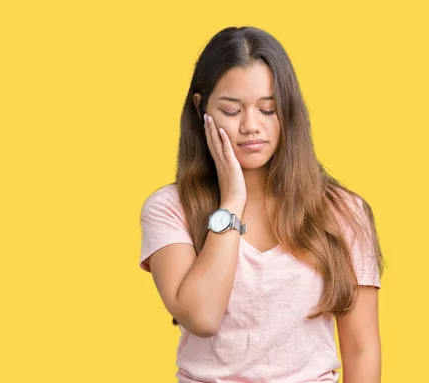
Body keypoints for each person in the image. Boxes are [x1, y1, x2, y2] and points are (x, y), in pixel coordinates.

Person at [138, 26, 385, 383]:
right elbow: (202, 317)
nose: (251, 126)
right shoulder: (169, 208)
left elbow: (362, 349)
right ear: (201, 108)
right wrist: (232, 201)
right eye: (231, 110)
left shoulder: (344, 212)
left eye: (268, 109)